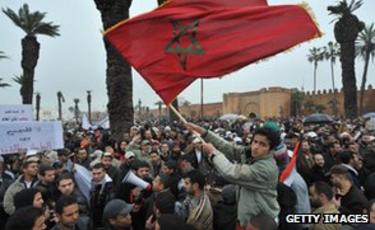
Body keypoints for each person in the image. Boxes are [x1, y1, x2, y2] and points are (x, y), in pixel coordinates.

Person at [185, 123, 280, 228]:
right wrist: (203, 132)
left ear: (270, 149)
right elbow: (229, 148)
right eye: (255, 142)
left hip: (260, 224)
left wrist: (213, 153)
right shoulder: (251, 155)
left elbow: (231, 172)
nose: (256, 147)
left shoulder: (265, 168)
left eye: (263, 144)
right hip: (246, 218)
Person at [91, 163, 115, 229]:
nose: (96, 176)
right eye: (94, 174)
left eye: (99, 173)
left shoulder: (110, 186)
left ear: (104, 172)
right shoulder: (93, 182)